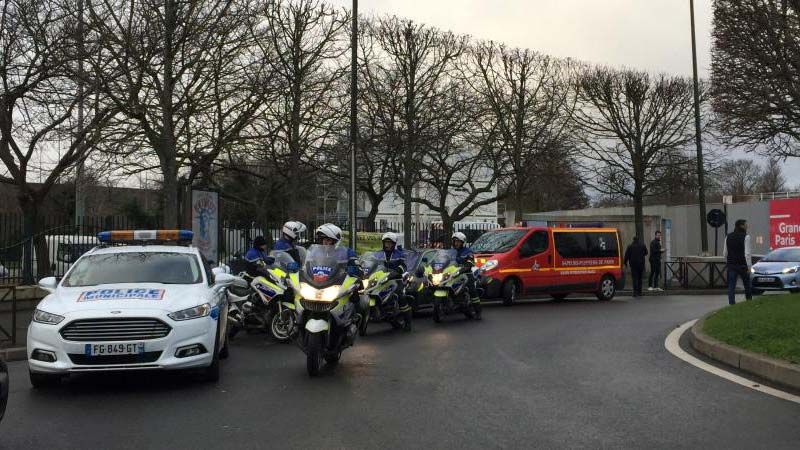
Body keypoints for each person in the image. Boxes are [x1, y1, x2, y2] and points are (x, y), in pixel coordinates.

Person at [376, 232, 411, 314]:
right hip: (381, 279)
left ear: (394, 244)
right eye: (386, 242)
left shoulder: (399, 254)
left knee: (400, 295)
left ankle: (407, 323)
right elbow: (372, 263)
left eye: (390, 243)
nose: (387, 245)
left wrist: (398, 271)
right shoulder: (378, 254)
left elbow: (404, 265)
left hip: (396, 278)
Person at [452, 232, 481, 319]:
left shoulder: (468, 251)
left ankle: (478, 311)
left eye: (458, 241)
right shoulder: (451, 252)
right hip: (453, 274)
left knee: (472, 290)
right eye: (454, 241)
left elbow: (470, 261)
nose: (456, 243)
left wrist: (466, 266)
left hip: (466, 273)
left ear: (462, 242)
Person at [723, 219, 753, 305]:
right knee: (747, 285)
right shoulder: (746, 237)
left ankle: (732, 303)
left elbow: (725, 253)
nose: (747, 226)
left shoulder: (728, 236)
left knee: (731, 286)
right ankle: (749, 301)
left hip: (731, 265)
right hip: (742, 265)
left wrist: (728, 263)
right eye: (746, 224)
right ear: (741, 226)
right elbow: (747, 253)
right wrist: (749, 267)